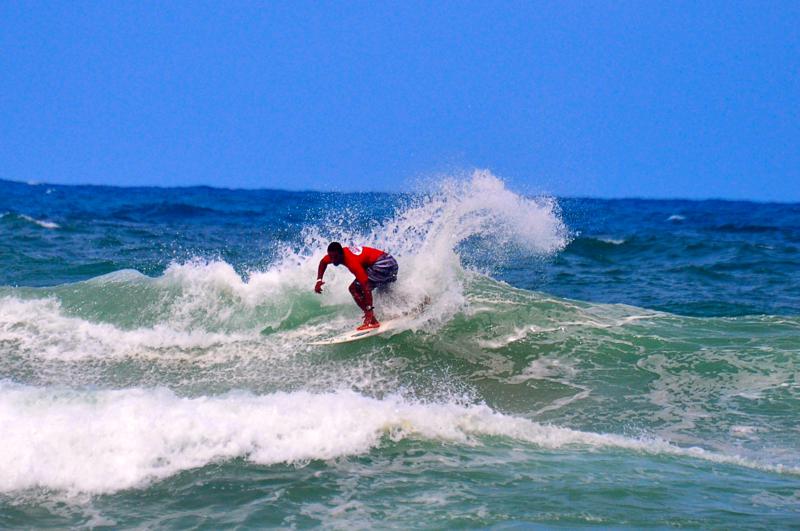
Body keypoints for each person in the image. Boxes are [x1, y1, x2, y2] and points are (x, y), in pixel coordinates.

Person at [315, 242, 399, 330]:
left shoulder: (352, 262)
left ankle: (372, 321)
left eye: (335, 257)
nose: (333, 260)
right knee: (383, 290)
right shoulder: (334, 255)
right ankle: (405, 308)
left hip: (384, 265)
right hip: (391, 262)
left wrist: (369, 309)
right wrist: (319, 280)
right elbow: (323, 262)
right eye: (331, 257)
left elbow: (366, 286)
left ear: (341, 254)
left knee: (354, 289)